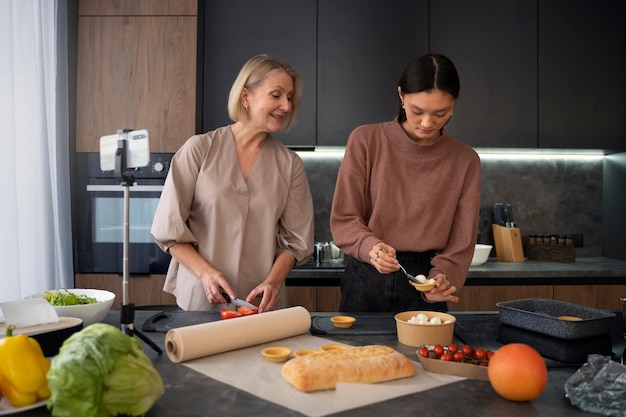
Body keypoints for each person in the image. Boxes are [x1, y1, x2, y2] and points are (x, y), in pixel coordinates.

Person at [151, 54, 314, 313]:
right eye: (276, 95)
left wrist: (273, 282)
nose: (286, 105)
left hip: (257, 304)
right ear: (246, 97)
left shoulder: (289, 164)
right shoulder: (200, 149)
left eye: (290, 98)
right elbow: (168, 230)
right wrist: (206, 274)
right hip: (200, 298)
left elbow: (295, 243)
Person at [330, 53, 481, 313]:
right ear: (401, 95)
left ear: (454, 103)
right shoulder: (365, 141)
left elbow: (461, 241)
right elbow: (344, 218)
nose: (427, 123)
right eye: (417, 111)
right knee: (358, 355)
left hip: (426, 281)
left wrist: (444, 278)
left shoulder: (465, 160)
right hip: (367, 276)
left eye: (440, 113)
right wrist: (371, 248)